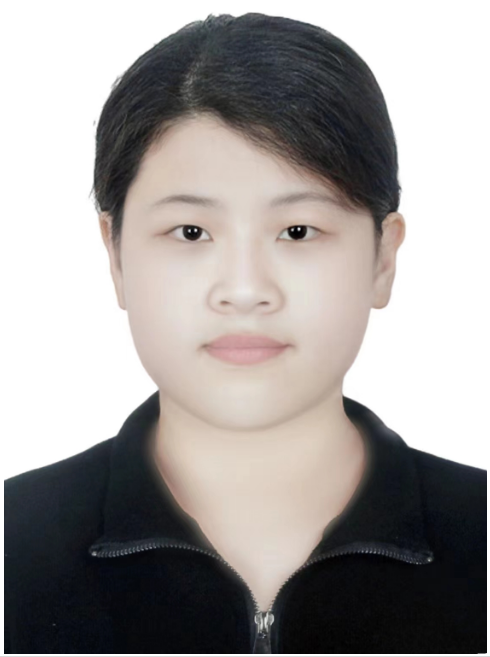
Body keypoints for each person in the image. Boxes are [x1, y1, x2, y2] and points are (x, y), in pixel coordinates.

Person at [4, 12, 486, 655]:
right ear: (115, 255)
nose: (244, 288)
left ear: (382, 258)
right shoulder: (12, 547)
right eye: (191, 233)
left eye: (297, 232)